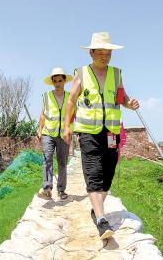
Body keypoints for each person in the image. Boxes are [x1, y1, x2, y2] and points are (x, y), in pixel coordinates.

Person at [63, 32, 140, 239]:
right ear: (91, 53)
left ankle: (96, 209)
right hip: (88, 132)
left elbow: (121, 97)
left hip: (111, 132)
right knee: (94, 172)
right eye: (101, 53)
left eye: (108, 53)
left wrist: (129, 104)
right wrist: (66, 127)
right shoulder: (82, 73)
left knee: (108, 173)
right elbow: (71, 101)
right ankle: (101, 220)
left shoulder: (116, 74)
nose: (105, 56)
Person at [37, 67, 73, 200]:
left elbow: (73, 115)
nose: (57, 83)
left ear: (64, 81)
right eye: (55, 81)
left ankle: (61, 190)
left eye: (60, 80)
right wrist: (40, 131)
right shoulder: (46, 96)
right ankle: (47, 188)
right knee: (47, 159)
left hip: (64, 134)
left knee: (62, 162)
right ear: (52, 82)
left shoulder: (70, 97)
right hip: (48, 133)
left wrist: (71, 131)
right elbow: (42, 115)